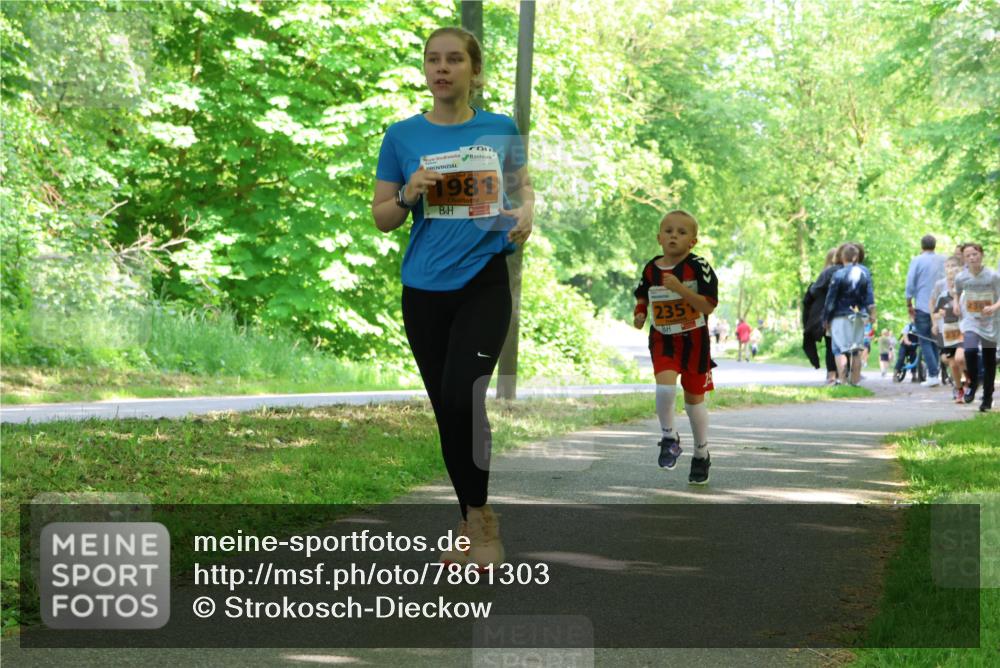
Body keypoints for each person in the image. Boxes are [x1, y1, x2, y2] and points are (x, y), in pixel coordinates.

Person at [371, 27, 534, 568]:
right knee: (448, 408)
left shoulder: (498, 128)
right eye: (433, 60)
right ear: (426, 69)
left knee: (465, 396)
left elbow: (521, 185)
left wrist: (526, 212)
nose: (443, 68)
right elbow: (382, 219)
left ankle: (482, 523)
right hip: (423, 290)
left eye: (455, 60)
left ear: (473, 70)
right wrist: (408, 192)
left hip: (484, 280)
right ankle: (470, 518)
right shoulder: (401, 136)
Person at [633, 210, 719, 485]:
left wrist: (681, 290)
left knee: (694, 402)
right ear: (659, 238)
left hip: (694, 341)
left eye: (681, 232)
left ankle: (701, 453)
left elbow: (707, 306)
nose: (674, 236)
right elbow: (642, 295)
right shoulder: (651, 268)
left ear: (692, 242)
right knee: (665, 388)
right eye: (668, 231)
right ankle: (669, 437)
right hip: (664, 338)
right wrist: (640, 313)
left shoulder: (699, 267)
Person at [953, 243, 1000, 411]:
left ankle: (987, 398)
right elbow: (957, 292)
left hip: (990, 322)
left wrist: (993, 308)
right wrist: (956, 304)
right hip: (971, 320)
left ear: (981, 255)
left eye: (975, 254)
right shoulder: (961, 277)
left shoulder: (993, 276)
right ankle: (973, 382)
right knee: (970, 351)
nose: (972, 258)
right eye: (968, 255)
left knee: (989, 361)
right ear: (964, 258)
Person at [823, 244, 876, 385]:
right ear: (855, 257)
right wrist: (872, 314)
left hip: (839, 315)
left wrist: (826, 318)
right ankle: (855, 381)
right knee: (856, 349)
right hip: (858, 314)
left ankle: (843, 380)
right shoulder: (864, 272)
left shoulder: (838, 274)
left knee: (839, 349)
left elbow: (830, 299)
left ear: (842, 257)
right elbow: (869, 296)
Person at [905, 234, 946, 387]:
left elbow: (910, 283)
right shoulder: (943, 260)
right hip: (940, 305)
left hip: (922, 305)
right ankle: (934, 373)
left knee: (924, 340)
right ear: (934, 245)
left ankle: (933, 374)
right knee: (935, 340)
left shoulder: (917, 260)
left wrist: (909, 303)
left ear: (921, 246)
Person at [802, 248, 842, 383]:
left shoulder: (825, 273)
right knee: (841, 344)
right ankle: (841, 374)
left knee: (830, 344)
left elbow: (813, 292)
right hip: (841, 312)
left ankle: (831, 375)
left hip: (825, 314)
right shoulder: (843, 272)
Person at [930, 256, 966, 403]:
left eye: (955, 281)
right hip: (948, 333)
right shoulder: (943, 295)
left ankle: (970, 381)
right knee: (951, 362)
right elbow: (935, 311)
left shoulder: (966, 294)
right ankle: (959, 389)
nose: (952, 284)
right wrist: (938, 317)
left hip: (964, 331)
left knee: (961, 359)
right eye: (950, 282)